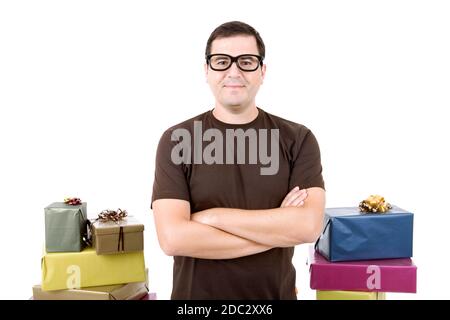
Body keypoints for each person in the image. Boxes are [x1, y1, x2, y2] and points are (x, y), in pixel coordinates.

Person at [151, 21, 325, 300]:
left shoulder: (298, 139)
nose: (234, 71)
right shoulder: (177, 140)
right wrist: (277, 229)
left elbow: (307, 226)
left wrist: (212, 218)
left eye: (246, 61)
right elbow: (173, 238)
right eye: (221, 61)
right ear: (207, 70)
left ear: (262, 71)